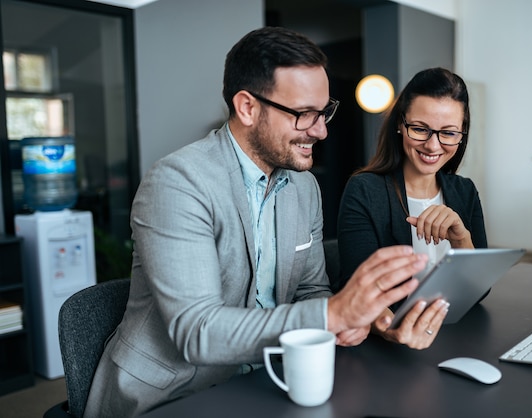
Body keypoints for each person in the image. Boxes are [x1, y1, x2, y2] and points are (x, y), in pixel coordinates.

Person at [84, 27, 430, 418]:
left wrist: (359, 318)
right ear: (247, 107)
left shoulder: (304, 189)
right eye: (304, 114)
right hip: (170, 396)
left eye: (324, 111)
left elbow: (310, 289)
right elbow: (197, 332)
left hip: (266, 379)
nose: (321, 130)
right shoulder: (177, 183)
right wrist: (330, 315)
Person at [335, 67, 487, 349]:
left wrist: (461, 238)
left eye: (449, 133)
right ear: (400, 124)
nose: (433, 145)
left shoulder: (464, 191)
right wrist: (389, 328)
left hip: (457, 337)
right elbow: (355, 291)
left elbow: (478, 292)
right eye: (419, 129)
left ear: (462, 134)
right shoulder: (365, 190)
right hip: (390, 347)